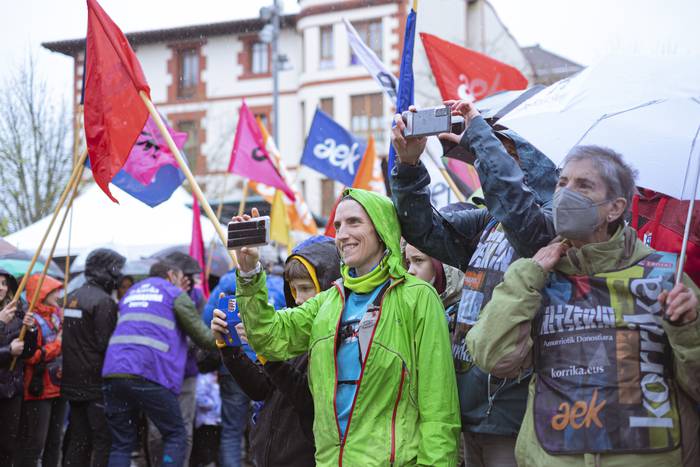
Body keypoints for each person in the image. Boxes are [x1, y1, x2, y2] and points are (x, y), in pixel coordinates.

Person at [467, 146, 700, 466]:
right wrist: (527, 275)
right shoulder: (536, 274)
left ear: (615, 208)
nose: (565, 194)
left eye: (583, 185)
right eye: (562, 183)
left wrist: (688, 327)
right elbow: (493, 358)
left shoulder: (663, 276)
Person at [233, 190, 460, 466]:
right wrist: (249, 273)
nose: (342, 234)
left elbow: (439, 406)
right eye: (338, 226)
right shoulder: (328, 302)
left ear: (381, 230)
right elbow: (268, 337)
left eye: (354, 222)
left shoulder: (418, 298)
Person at [391, 100, 557, 466]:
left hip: (514, 413)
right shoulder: (488, 222)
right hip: (469, 407)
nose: (494, 163)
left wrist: (481, 137)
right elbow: (422, 230)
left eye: (506, 154)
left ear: (535, 161)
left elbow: (518, 211)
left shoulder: (550, 227)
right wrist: (409, 165)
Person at [211, 235, 341, 467]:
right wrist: (229, 347)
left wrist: (266, 350)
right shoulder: (291, 330)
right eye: (293, 289)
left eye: (306, 288)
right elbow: (261, 389)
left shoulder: (338, 337)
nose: (298, 299)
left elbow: (308, 401)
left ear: (329, 286)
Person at [101, 260, 217, 467]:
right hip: (149, 373)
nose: (181, 283)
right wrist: (224, 335)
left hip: (114, 372)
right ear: (171, 275)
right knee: (176, 433)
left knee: (121, 444)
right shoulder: (174, 294)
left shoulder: (132, 292)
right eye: (180, 278)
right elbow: (204, 338)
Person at [201, 268, 286, 467]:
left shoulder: (225, 283)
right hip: (266, 366)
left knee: (232, 429)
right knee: (266, 425)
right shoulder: (276, 285)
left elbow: (207, 320)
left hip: (233, 366)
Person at [62, 248, 126, 467]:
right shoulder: (103, 302)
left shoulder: (72, 296)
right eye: (116, 270)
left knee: (78, 437)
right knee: (102, 439)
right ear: (106, 270)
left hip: (73, 379)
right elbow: (106, 344)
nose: (119, 276)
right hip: (96, 383)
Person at [147, 251, 206, 466]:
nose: (188, 281)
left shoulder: (197, 298)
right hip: (158, 373)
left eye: (191, 277)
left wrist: (183, 300)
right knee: (156, 431)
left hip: (186, 373)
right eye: (185, 276)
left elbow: (199, 333)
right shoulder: (156, 295)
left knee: (184, 427)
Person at [18, 274, 66, 467]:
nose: (58, 295)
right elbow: (31, 357)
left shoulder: (57, 315)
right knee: (36, 443)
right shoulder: (31, 321)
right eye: (54, 291)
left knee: (55, 442)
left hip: (59, 386)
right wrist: (58, 345)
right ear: (42, 293)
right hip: (39, 389)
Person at [0, 269, 38, 465]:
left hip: (11, 390)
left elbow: (28, 352)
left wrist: (30, 330)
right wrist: (8, 351)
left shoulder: (16, 313)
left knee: (8, 445)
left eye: (4, 283)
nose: (1, 287)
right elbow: (10, 350)